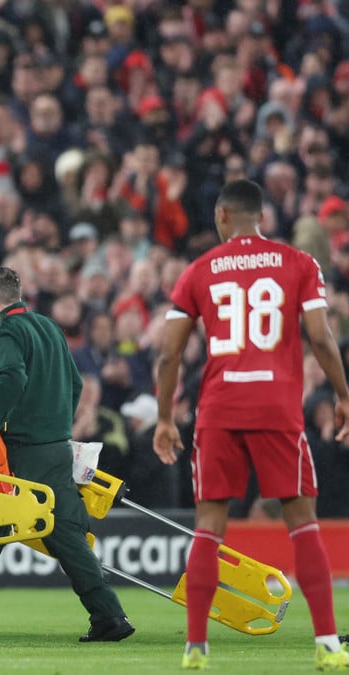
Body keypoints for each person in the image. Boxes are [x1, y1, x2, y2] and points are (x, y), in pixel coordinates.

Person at [154, 179, 349, 671]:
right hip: (276, 407)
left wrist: (164, 417)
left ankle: (195, 648)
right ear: (260, 216)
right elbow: (321, 338)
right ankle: (328, 645)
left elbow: (168, 354)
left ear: (222, 216)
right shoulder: (299, 263)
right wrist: (344, 395)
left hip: (219, 408)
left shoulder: (199, 269)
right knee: (303, 523)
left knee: (208, 527)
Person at [0, 265, 133, 643]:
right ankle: (109, 615)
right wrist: (56, 427)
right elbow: (75, 384)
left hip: (21, 451)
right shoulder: (48, 327)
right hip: (56, 449)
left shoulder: (3, 332)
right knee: (67, 537)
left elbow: (12, 379)